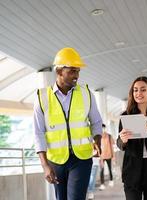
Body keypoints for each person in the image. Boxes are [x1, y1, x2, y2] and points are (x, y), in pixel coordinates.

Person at [33, 47, 103, 200]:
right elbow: (38, 132)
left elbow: (96, 121)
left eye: (78, 71)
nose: (76, 76)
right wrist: (45, 165)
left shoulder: (86, 93)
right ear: (59, 71)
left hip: (81, 159)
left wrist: (97, 138)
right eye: (72, 71)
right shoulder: (42, 97)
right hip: (56, 161)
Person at [99, 123, 115, 190]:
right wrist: (100, 157)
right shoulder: (98, 137)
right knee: (101, 170)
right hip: (102, 156)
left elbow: (112, 146)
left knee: (109, 168)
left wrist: (113, 156)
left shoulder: (109, 136)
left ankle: (111, 180)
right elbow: (98, 147)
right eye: (101, 128)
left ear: (105, 128)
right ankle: (102, 184)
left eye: (103, 128)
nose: (102, 129)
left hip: (109, 155)